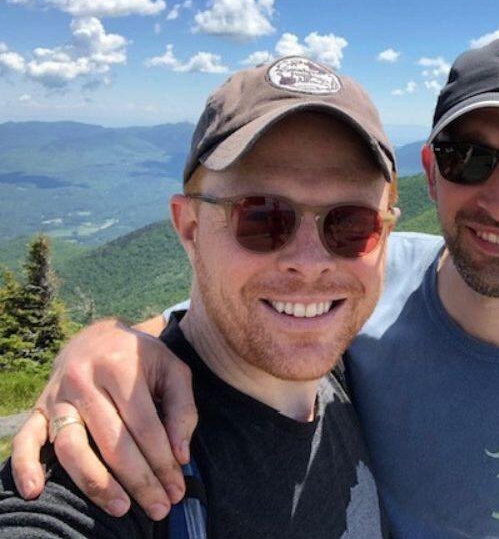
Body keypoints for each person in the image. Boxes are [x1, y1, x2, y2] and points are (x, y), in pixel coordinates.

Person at [10, 38, 499, 538]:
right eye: (262, 218)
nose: (311, 262)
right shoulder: (357, 303)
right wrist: (110, 347)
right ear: (432, 173)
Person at [0, 56, 398, 537]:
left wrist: (103, 333)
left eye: (352, 224)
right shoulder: (119, 453)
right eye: (262, 217)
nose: (311, 262)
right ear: (189, 228)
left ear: (387, 233)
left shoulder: (346, 372)